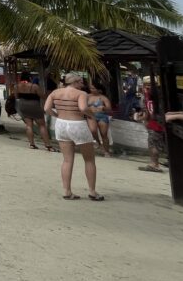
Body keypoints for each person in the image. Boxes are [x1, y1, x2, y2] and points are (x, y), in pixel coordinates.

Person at [45, 72, 103, 201]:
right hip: (77, 124)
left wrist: (57, 116)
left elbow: (47, 108)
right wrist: (91, 115)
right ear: (75, 82)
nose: (83, 84)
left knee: (67, 160)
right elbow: (82, 108)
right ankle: (92, 192)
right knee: (89, 160)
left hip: (61, 124)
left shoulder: (55, 92)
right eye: (81, 82)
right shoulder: (81, 94)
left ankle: (67, 191)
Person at [16, 70, 53, 151]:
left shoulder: (17, 86)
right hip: (34, 105)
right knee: (42, 125)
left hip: (23, 105)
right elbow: (43, 96)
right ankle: (48, 145)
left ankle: (32, 144)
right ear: (30, 77)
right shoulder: (34, 86)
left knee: (29, 125)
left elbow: (16, 96)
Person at [137, 83, 166, 172]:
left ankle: (155, 164)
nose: (146, 89)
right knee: (153, 144)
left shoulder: (154, 99)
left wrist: (141, 118)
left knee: (153, 144)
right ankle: (154, 163)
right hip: (155, 123)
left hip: (156, 124)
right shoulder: (149, 97)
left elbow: (150, 113)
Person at [85, 80, 113, 157]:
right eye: (91, 88)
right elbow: (82, 106)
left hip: (102, 116)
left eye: (93, 88)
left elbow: (109, 109)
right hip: (91, 116)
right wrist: (89, 108)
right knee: (93, 130)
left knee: (104, 134)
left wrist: (103, 108)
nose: (91, 90)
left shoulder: (103, 98)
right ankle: (98, 142)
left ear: (98, 89)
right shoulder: (87, 96)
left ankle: (106, 151)